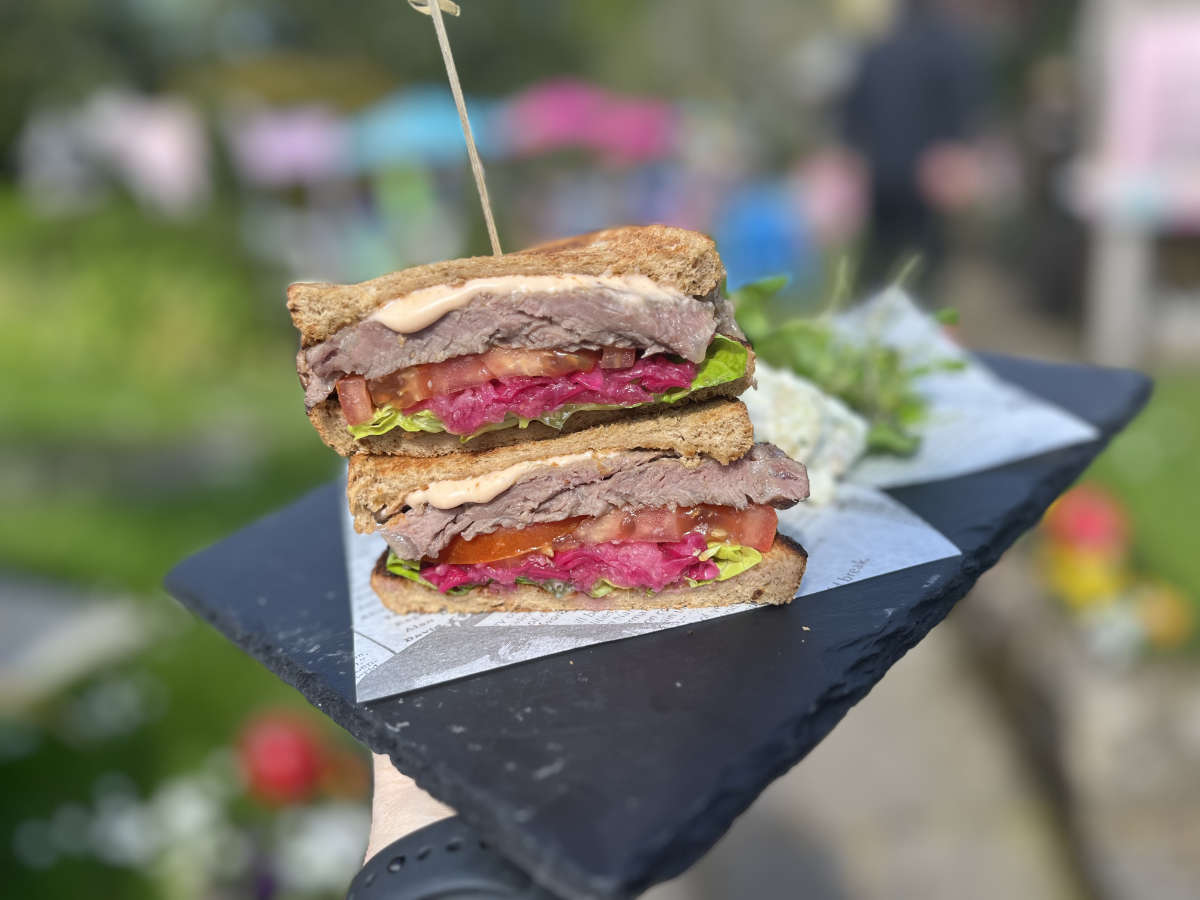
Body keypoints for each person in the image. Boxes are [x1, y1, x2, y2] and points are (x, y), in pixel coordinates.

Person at [842, 0, 983, 292]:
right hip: (928, 173)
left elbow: (852, 112)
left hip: (882, 171)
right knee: (924, 260)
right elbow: (962, 108)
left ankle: (871, 309)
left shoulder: (877, 51)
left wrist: (859, 155)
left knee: (879, 253)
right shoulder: (951, 50)